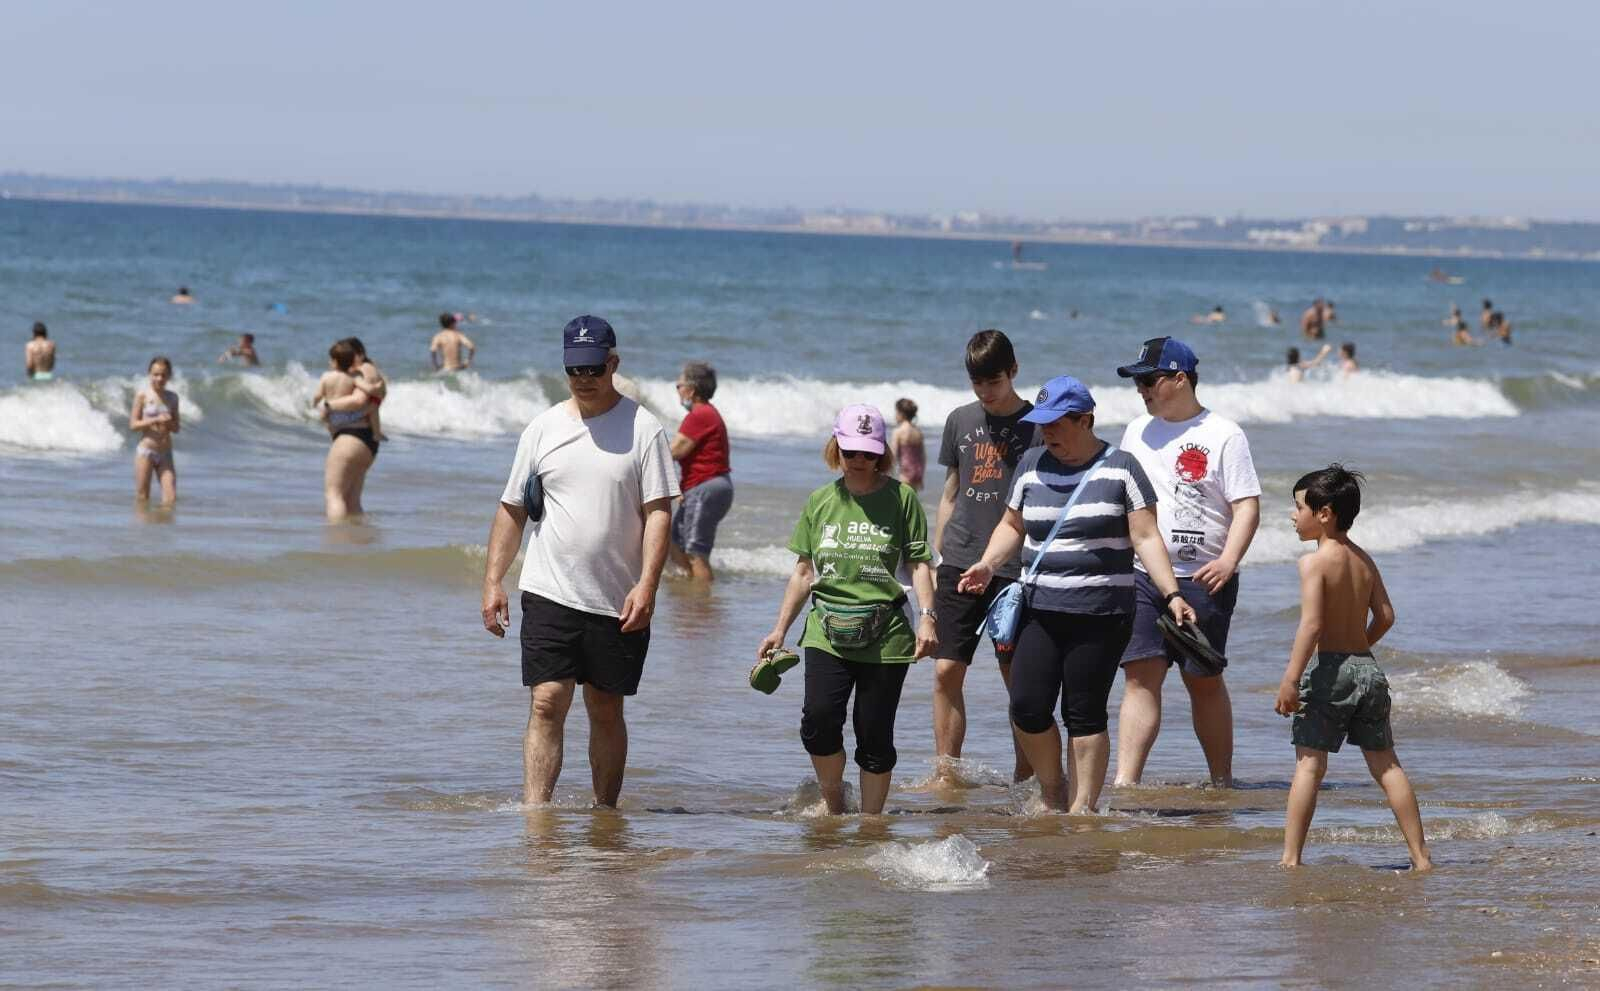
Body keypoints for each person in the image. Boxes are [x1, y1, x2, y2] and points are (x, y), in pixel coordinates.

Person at [958, 376, 1195, 813]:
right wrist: (988, 564)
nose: (1046, 433)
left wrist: (1172, 593)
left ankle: (1082, 809)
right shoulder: (1031, 465)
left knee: (1083, 713)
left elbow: (1145, 537)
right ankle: (1053, 788)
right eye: (1041, 425)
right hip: (1040, 608)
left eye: (1056, 425)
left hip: (1101, 612)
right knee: (1027, 707)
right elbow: (1013, 525)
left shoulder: (1122, 467)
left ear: (1085, 420)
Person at [480, 316, 678, 807]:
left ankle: (604, 813)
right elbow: (512, 510)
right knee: (547, 701)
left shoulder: (644, 429)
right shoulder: (542, 428)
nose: (584, 379)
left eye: (593, 368)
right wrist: (493, 581)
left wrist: (648, 585)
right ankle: (535, 811)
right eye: (574, 370)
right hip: (550, 589)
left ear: (613, 363)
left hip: (618, 597)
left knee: (606, 707)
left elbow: (658, 514)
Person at [757, 404, 936, 815]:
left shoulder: (901, 499)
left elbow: (919, 564)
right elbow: (803, 573)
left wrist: (927, 617)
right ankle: (836, 802)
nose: (859, 461)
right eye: (851, 451)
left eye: (869, 453)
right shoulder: (820, 501)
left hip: (887, 632)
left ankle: (872, 825)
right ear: (835, 446)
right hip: (826, 628)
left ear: (882, 452)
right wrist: (779, 629)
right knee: (818, 724)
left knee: (874, 735)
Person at [1113, 337, 1262, 789]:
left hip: (1203, 577)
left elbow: (1247, 506)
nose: (1142, 389)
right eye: (1137, 381)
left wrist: (1230, 560)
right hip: (1143, 576)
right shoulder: (1137, 430)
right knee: (1141, 676)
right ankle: (1125, 783)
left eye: (1148, 379)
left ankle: (1222, 780)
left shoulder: (1223, 434)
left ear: (1180, 378)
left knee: (1203, 679)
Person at [1275, 465, 1431, 871]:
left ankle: (1291, 860)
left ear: (1323, 513)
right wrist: (1360, 649)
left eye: (1297, 507)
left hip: (1330, 671)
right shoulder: (1364, 560)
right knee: (1387, 765)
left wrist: (1291, 679)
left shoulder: (1313, 564)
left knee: (1309, 764)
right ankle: (1421, 857)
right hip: (1367, 670)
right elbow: (1386, 616)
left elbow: (1312, 625)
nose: (1292, 515)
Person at [930, 330, 1040, 784]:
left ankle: (1024, 773)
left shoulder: (1038, 424)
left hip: (1014, 567)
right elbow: (951, 491)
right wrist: (940, 551)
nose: (985, 392)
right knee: (945, 670)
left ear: (1013, 371)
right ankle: (946, 772)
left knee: (1015, 675)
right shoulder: (959, 420)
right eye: (977, 383)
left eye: (993, 382)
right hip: (958, 560)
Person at [668, 360, 733, 582]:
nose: (678, 389)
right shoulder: (707, 413)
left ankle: (702, 602)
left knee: (696, 552)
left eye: (679, 385)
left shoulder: (700, 415)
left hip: (706, 488)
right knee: (674, 540)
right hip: (705, 486)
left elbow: (674, 451)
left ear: (692, 389)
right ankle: (690, 589)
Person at [311, 341, 378, 520]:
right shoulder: (358, 374)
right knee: (351, 500)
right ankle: (355, 540)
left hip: (349, 438)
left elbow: (358, 400)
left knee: (333, 495)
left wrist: (323, 405)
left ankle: (337, 539)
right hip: (365, 440)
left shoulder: (335, 375)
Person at [129, 356, 180, 504]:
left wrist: (169, 422)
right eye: (155, 374)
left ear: (169, 376)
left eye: (163, 375)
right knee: (143, 497)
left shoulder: (173, 397)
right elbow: (133, 425)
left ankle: (163, 526)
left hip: (165, 453)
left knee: (171, 498)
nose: (159, 378)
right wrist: (155, 420)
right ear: (149, 374)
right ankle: (145, 527)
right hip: (146, 451)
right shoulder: (142, 395)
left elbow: (177, 428)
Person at [323, 337, 388, 442]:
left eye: (349, 356)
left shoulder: (364, 369)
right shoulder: (366, 368)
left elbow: (360, 400)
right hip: (364, 422)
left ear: (361, 354)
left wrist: (329, 405)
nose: (346, 360)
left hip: (360, 427)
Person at [889, 398, 925, 491]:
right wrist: (921, 475)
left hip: (905, 473)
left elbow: (893, 455)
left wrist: (888, 475)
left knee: (902, 501)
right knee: (912, 499)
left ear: (901, 414)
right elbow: (923, 456)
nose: (895, 416)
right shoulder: (918, 431)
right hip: (917, 473)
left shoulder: (898, 432)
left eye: (896, 412)